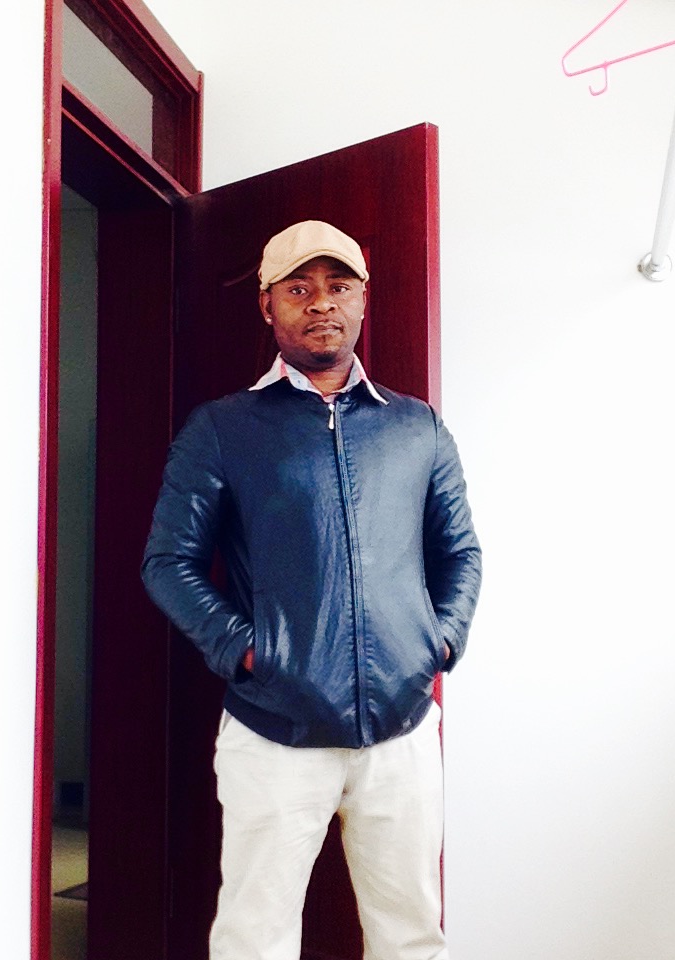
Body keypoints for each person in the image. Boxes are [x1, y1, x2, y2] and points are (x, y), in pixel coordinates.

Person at [142, 220, 481, 960]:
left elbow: (459, 552)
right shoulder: (223, 429)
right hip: (274, 731)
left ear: (363, 299)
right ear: (268, 305)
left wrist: (438, 642)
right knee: (255, 941)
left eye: (338, 286)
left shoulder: (416, 427)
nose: (321, 303)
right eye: (299, 288)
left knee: (411, 937)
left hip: (401, 731)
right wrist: (250, 652)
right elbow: (168, 562)